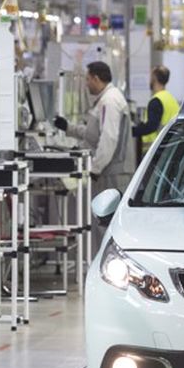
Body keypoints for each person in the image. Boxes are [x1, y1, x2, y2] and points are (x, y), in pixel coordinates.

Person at [53, 61, 132, 245]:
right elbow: (93, 133)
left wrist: (95, 169)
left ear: (96, 78)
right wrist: (68, 128)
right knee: (105, 226)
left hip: (112, 173)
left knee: (108, 226)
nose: (87, 84)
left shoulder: (109, 101)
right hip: (110, 171)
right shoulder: (106, 100)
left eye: (88, 79)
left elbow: (108, 139)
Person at [132, 66, 181, 148]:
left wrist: (132, 131)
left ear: (154, 78)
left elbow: (151, 126)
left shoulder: (156, 100)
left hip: (155, 147)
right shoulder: (171, 98)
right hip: (168, 144)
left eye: (150, 76)